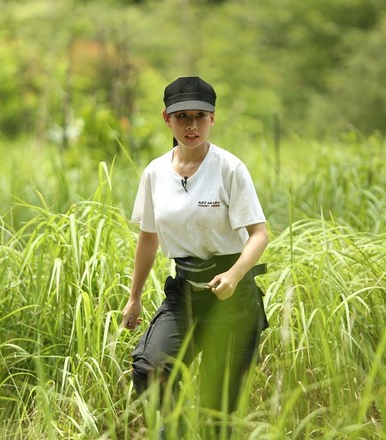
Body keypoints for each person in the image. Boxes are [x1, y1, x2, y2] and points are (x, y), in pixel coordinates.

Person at [121, 76, 269, 438]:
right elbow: (148, 237)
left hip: (232, 295)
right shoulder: (155, 172)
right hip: (183, 291)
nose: (191, 125)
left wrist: (234, 275)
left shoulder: (230, 168)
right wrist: (135, 297)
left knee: (216, 408)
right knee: (150, 368)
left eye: (200, 116)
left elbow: (259, 234)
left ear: (213, 118)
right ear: (166, 119)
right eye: (182, 116)